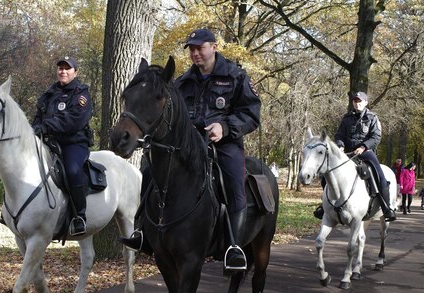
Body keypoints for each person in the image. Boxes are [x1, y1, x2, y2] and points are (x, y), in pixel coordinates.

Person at [121, 28, 261, 273]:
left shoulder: (235, 75)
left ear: (213, 47)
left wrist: (225, 127)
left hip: (224, 143)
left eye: (200, 48)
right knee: (150, 170)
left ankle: (234, 246)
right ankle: (143, 232)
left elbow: (251, 113)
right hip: (188, 143)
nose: (195, 53)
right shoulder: (183, 81)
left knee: (234, 181)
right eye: (192, 49)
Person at [31, 56, 93, 236]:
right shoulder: (49, 93)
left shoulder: (81, 94)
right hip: (48, 143)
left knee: (73, 170)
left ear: (75, 72)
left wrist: (45, 126)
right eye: (60, 68)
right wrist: (33, 128)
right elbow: (38, 116)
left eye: (67, 68)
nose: (63, 71)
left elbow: (74, 120)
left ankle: (79, 216)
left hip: (73, 144)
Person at [313, 91, 396, 221]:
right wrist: (340, 145)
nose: (357, 103)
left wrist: (363, 147)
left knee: (380, 176)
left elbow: (376, 137)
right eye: (355, 101)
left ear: (365, 102)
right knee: (326, 175)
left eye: (360, 101)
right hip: (347, 153)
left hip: (366, 152)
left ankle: (387, 208)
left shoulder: (372, 118)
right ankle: (325, 206)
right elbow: (340, 135)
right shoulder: (346, 118)